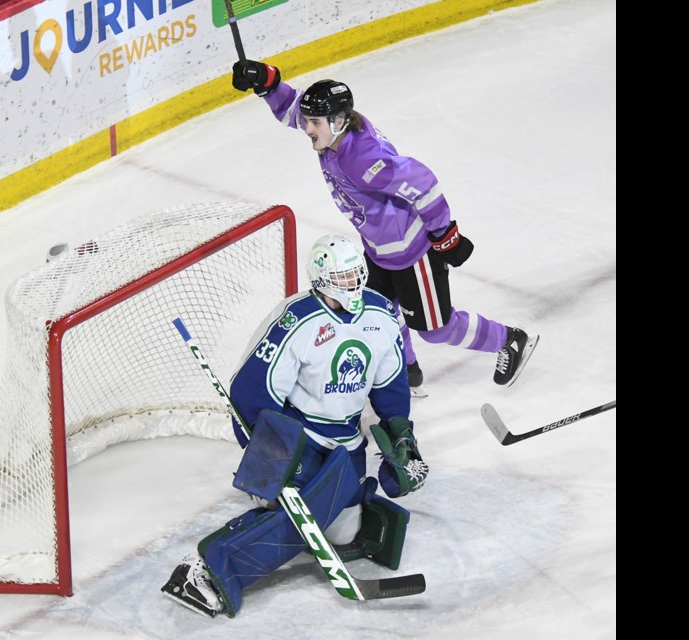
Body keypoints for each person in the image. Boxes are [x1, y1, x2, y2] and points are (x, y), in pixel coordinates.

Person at [161, 234, 429, 618]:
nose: (354, 284)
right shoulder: (297, 319)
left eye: (357, 275)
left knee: (342, 536)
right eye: (344, 277)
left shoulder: (381, 315)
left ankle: (322, 499)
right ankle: (208, 568)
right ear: (322, 279)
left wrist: (402, 434)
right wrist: (270, 455)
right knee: (306, 520)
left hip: (347, 442)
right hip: (301, 439)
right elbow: (254, 386)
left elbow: (391, 384)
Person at [230, 61, 539, 391]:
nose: (307, 129)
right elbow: (296, 110)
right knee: (378, 311)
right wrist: (267, 82)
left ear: (336, 121)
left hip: (411, 255)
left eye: (315, 123)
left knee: (437, 330)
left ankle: (509, 340)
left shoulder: (362, 159)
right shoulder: (337, 131)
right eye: (310, 121)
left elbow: (422, 182)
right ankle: (408, 369)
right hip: (378, 249)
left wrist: (445, 235)